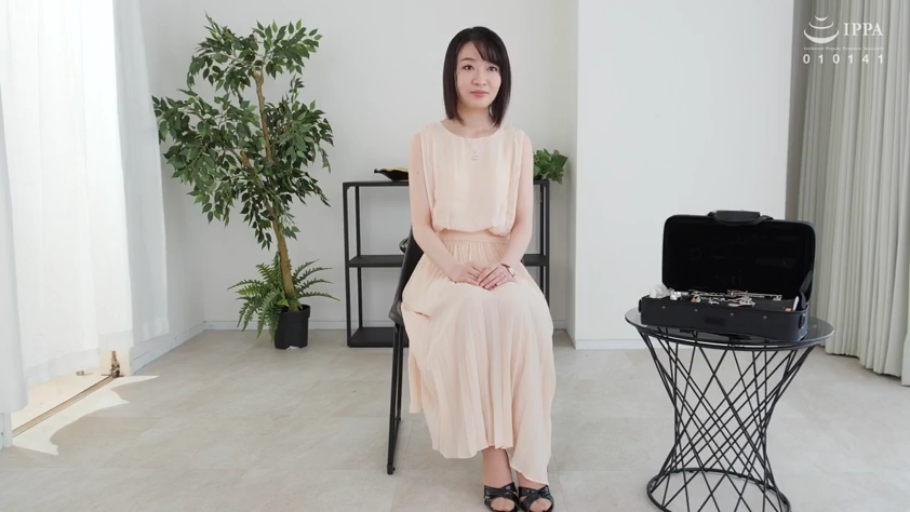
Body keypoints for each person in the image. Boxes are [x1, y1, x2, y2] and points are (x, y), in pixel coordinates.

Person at [400, 26, 557, 512]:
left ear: (502, 77)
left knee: (526, 315)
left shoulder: (517, 141)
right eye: (468, 66)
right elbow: (422, 226)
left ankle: (531, 460)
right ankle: (493, 454)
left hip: (502, 262)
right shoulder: (425, 140)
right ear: (452, 74)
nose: (480, 77)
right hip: (443, 264)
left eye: (491, 67)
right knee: (470, 311)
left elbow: (524, 222)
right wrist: (454, 268)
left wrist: (506, 266)